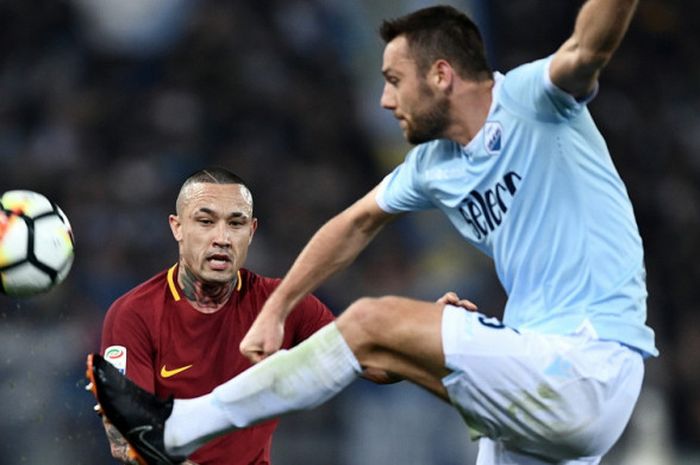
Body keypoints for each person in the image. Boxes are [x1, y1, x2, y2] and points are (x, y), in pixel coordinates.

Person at [86, 2, 658, 464]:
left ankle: (180, 428)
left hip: (590, 360)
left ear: (441, 74)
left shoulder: (533, 100)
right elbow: (355, 223)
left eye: (393, 80)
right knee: (381, 342)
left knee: (368, 322)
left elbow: (589, 46)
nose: (384, 99)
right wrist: (276, 309)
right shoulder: (433, 165)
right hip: (540, 370)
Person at [93, 167, 337, 465]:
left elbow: (363, 357)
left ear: (252, 231)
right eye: (206, 222)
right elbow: (125, 439)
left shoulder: (281, 304)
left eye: (236, 223)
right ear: (177, 227)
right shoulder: (134, 314)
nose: (222, 238)